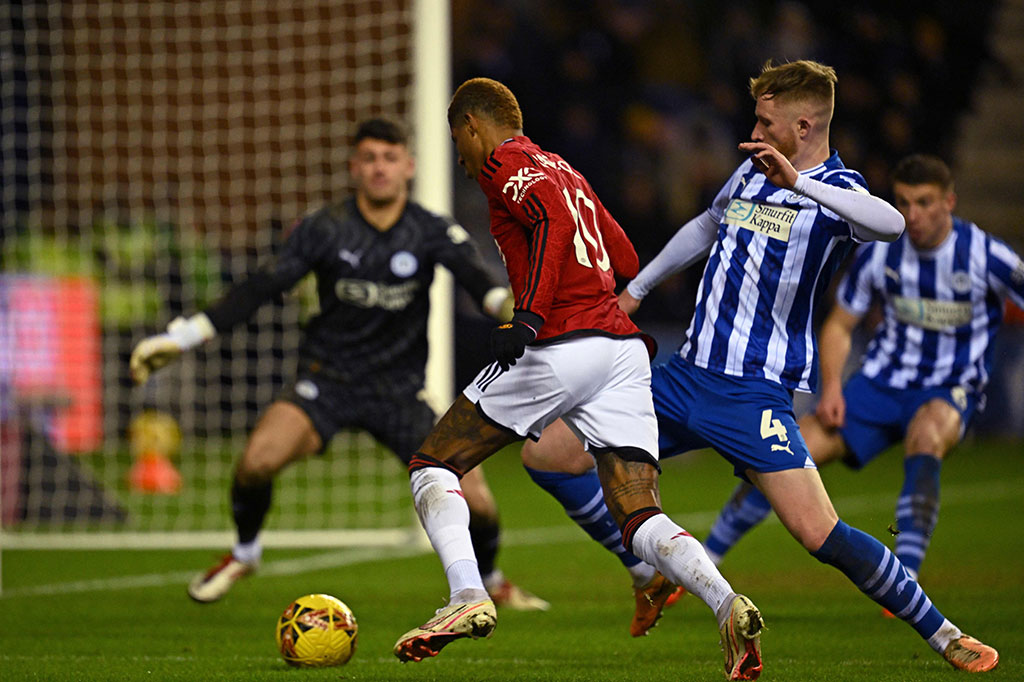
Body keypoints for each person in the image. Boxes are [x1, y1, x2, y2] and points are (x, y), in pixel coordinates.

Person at [611, 61, 998, 672]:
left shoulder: (839, 190)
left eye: (765, 121)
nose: (754, 130)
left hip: (754, 394)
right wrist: (637, 289)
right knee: (553, 452)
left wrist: (801, 182)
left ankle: (945, 634)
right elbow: (706, 225)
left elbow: (891, 224)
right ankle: (653, 573)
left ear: (803, 124)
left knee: (821, 534)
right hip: (684, 377)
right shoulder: (747, 170)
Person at [392, 77, 765, 681]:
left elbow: (549, 224)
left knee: (434, 464)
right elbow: (622, 255)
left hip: (562, 340)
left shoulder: (507, 164)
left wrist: (531, 314)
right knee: (639, 515)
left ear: (471, 127)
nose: (460, 158)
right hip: (620, 350)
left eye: (457, 141)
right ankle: (726, 602)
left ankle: (466, 594)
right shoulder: (564, 168)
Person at [129, 118, 547, 610]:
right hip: (326, 381)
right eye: (369, 159)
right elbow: (262, 286)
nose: (379, 169)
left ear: (408, 167)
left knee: (476, 499)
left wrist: (519, 313)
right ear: (354, 167)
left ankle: (493, 579)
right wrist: (181, 338)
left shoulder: (429, 230)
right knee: (255, 462)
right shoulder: (324, 228)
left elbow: (483, 286)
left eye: (389, 159)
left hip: (399, 392)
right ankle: (244, 553)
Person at [702, 154, 1024, 594]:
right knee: (783, 453)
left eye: (925, 202)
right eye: (904, 203)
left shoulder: (987, 255)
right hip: (878, 386)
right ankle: (707, 560)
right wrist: (831, 387)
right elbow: (839, 323)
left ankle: (905, 579)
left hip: (949, 387)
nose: (913, 215)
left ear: (949, 202)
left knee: (927, 436)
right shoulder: (879, 252)